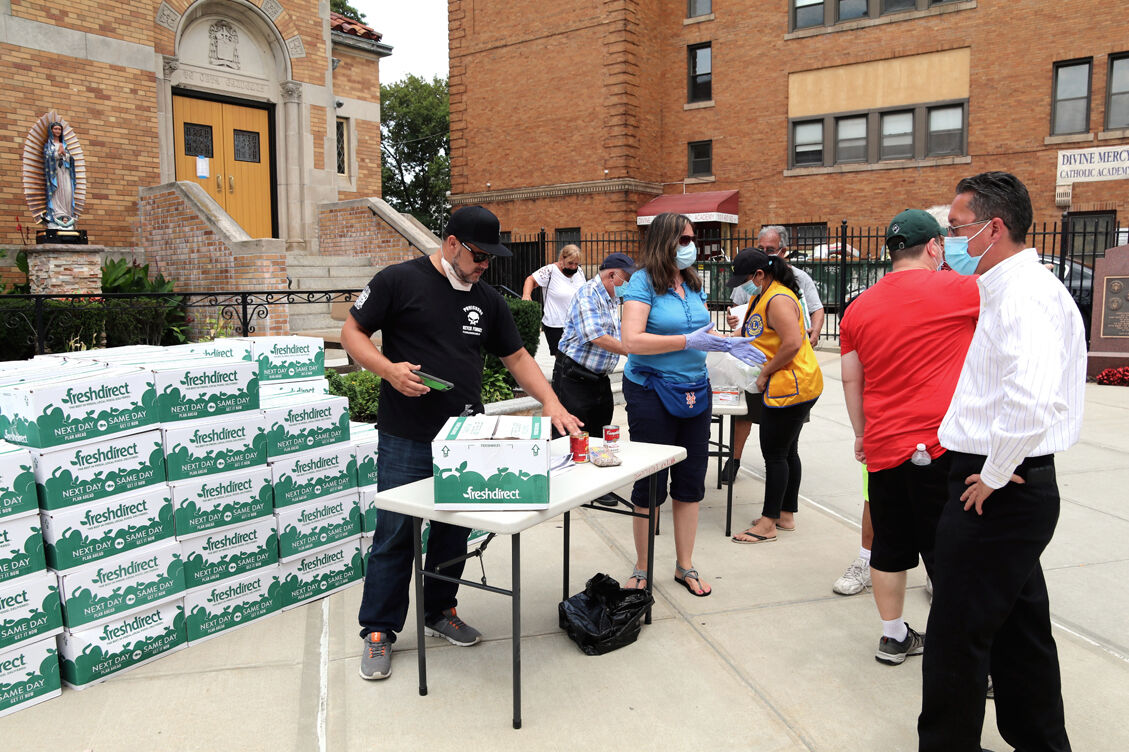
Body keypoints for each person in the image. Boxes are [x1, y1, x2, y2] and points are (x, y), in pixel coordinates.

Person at [342, 205, 581, 682]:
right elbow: (352, 332)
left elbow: (515, 356)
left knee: (454, 529)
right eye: (478, 256)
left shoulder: (486, 299)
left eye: (491, 259)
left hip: (466, 437)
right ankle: (379, 631)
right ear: (451, 243)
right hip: (405, 435)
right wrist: (387, 369)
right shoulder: (398, 281)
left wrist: (552, 403)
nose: (484, 266)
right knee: (396, 532)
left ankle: (439, 610)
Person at [918, 172, 1085, 752]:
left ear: (995, 228)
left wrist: (992, 473)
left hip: (997, 486)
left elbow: (1033, 397)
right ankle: (1040, 740)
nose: (953, 240)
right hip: (1004, 481)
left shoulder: (1025, 293)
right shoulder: (1013, 287)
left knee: (957, 637)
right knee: (1020, 631)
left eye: (959, 227)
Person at [839, 209, 980, 666]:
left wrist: (862, 434)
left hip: (884, 445)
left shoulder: (859, 307)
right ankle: (966, 655)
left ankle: (893, 636)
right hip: (943, 446)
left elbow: (851, 380)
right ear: (935, 247)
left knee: (890, 546)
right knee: (952, 555)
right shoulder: (963, 291)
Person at [618, 212, 763, 597]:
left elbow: (703, 332)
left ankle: (685, 566)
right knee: (650, 484)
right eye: (684, 240)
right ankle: (642, 568)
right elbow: (631, 341)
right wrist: (687, 342)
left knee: (690, 481)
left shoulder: (693, 283)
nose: (691, 246)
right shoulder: (641, 283)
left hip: (696, 391)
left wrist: (728, 342)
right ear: (665, 241)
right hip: (651, 391)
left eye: (692, 239)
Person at [728, 248, 823, 544]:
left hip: (791, 385)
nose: (741, 287)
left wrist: (766, 371)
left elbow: (793, 343)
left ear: (759, 274)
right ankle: (784, 514)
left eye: (744, 280)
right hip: (790, 384)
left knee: (775, 454)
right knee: (787, 451)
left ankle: (768, 523)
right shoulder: (763, 294)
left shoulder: (778, 298)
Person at [552, 251, 634, 434]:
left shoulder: (612, 299)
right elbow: (595, 335)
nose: (629, 286)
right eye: (627, 280)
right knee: (571, 436)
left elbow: (616, 331)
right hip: (574, 377)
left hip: (599, 380)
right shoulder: (588, 293)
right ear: (612, 275)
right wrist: (631, 350)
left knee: (599, 437)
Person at [523, 244, 586, 356]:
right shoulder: (550, 271)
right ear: (562, 259)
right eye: (570, 263)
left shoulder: (579, 272)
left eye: (576, 264)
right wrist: (527, 295)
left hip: (577, 324)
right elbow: (530, 279)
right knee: (563, 361)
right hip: (556, 325)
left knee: (578, 360)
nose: (573, 267)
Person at [43, 122, 76, 229]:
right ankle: (57, 215)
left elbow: (70, 160)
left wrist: (65, 154)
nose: (57, 131)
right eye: (55, 129)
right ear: (51, 130)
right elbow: (47, 158)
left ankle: (67, 215)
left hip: (65, 172)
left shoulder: (64, 145)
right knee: (57, 192)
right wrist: (57, 154)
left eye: (59, 129)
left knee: (68, 191)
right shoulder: (48, 145)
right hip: (55, 174)